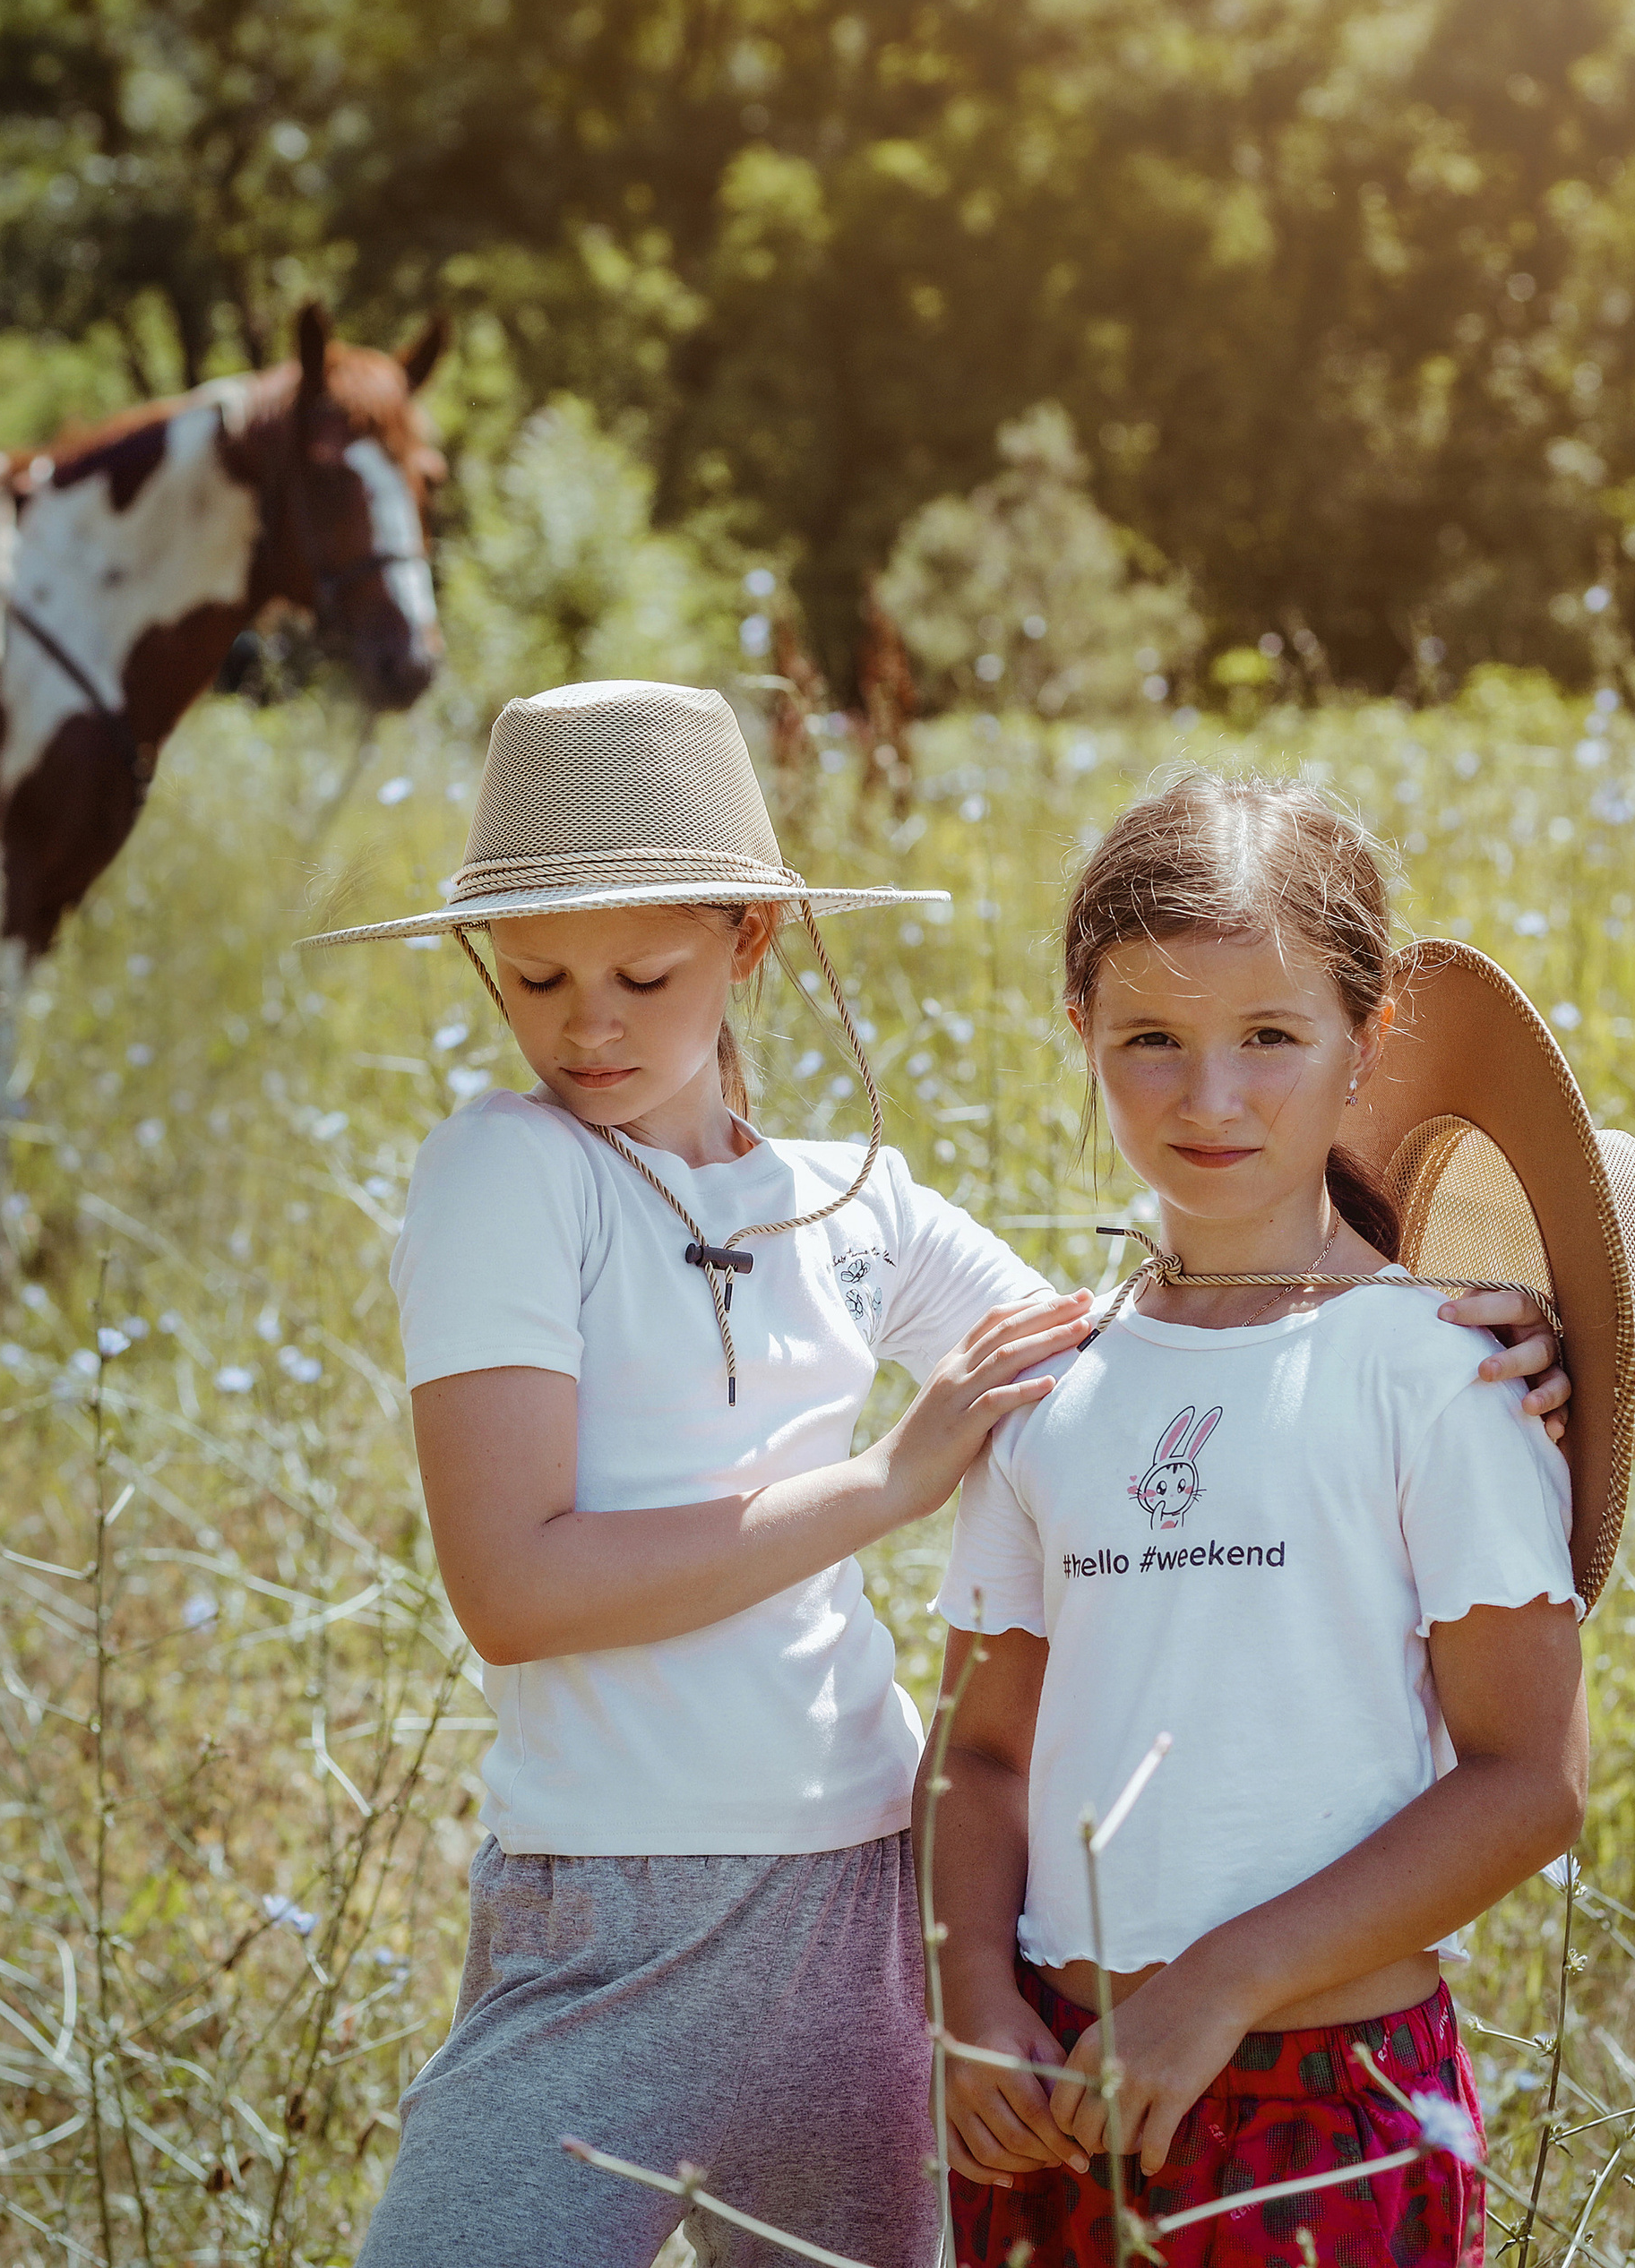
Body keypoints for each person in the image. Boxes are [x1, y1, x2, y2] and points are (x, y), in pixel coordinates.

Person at [305, 693, 1567, 2268]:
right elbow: (512, 1593)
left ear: (753, 938)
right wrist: (894, 1479)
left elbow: (1157, 1363)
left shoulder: (857, 1205)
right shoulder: (510, 1166)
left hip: (866, 1901)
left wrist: (1481, 1311)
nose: (589, 1026)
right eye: (537, 977)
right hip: (626, 1911)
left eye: (644, 973)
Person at [933, 773, 1595, 2267]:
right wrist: (968, 1997)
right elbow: (979, 1753)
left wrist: (1220, 1983)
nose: (1209, 1097)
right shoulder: (1050, 1377)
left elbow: (1529, 1777)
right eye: (1150, 1041)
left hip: (1328, 2105)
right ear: (1082, 1041)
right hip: (1045, 2102)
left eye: (1271, 1040)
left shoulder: (1444, 1369)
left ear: (1365, 1046)